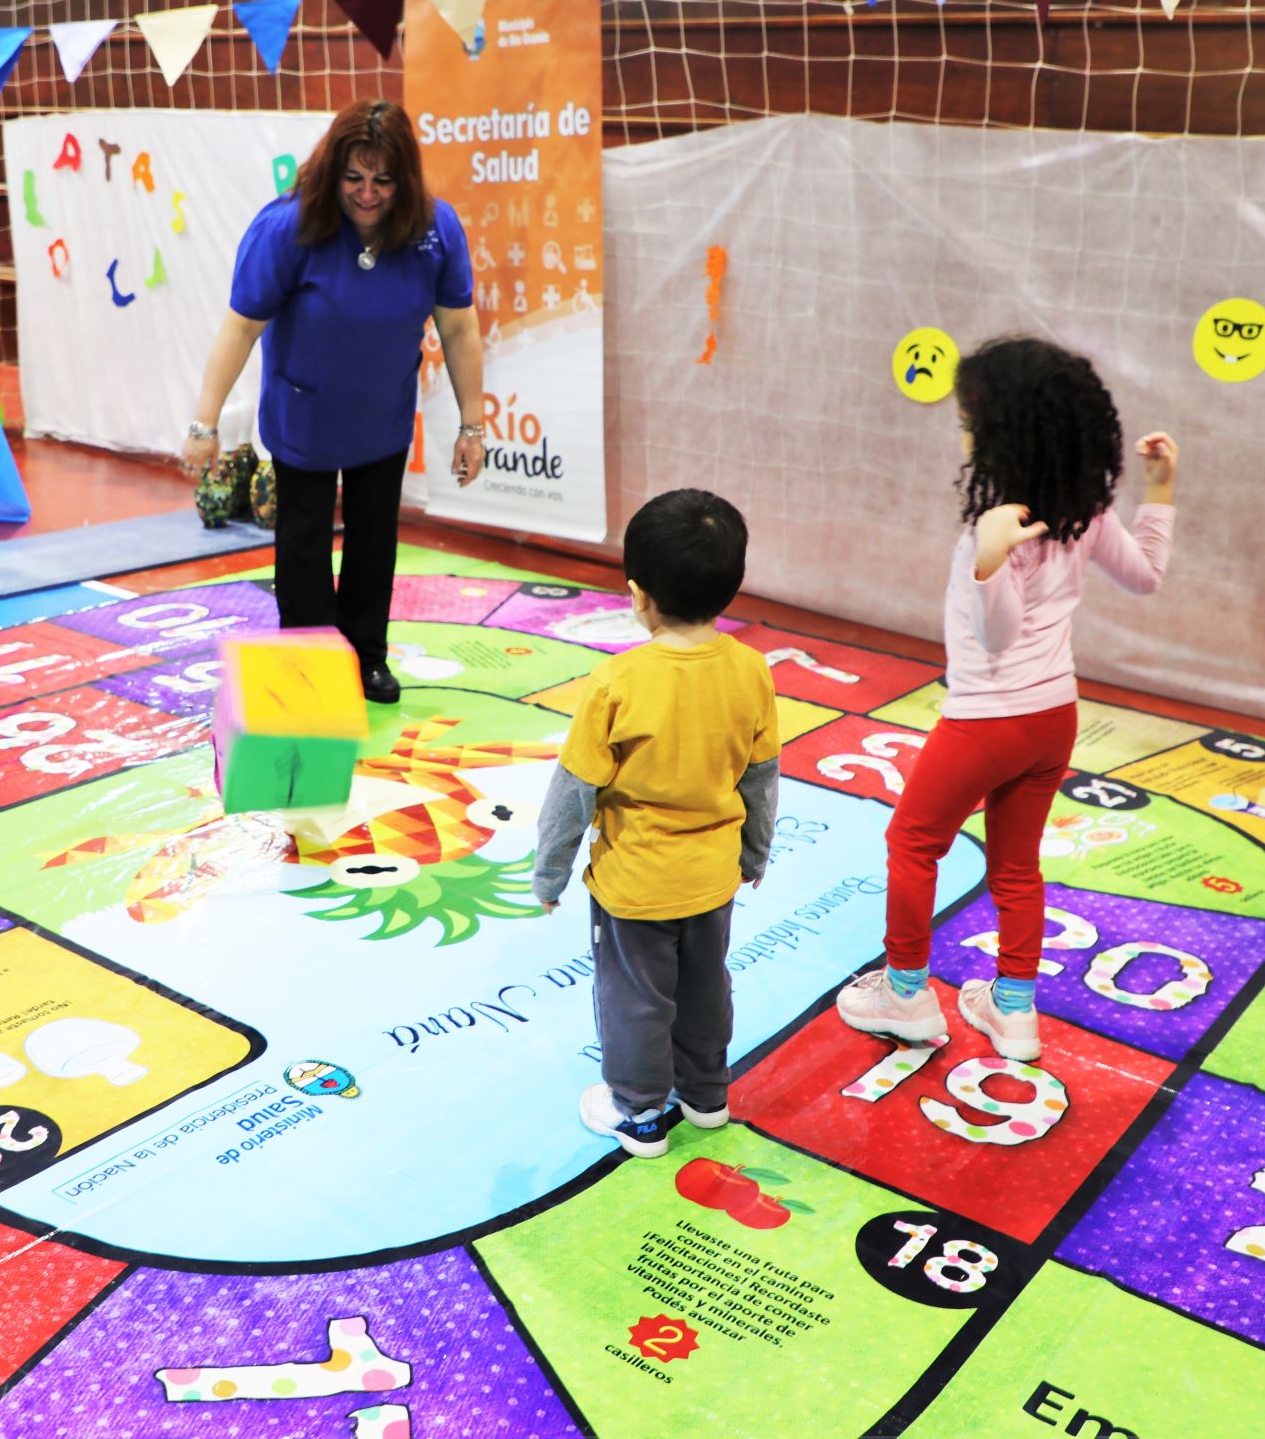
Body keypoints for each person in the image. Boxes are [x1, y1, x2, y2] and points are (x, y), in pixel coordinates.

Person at [837, 337, 1179, 1061]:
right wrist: (1160, 492)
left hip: (988, 721)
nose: (963, 434)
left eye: (970, 422)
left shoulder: (994, 528)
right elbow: (1146, 574)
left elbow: (996, 635)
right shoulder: (1082, 508)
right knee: (1016, 865)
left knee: (910, 842)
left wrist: (991, 559)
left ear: (1003, 435)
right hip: (1053, 719)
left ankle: (904, 995)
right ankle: (1013, 1011)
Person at [178, 100, 487, 704]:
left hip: (382, 416)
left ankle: (368, 656)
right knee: (304, 547)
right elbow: (241, 328)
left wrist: (473, 427)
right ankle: (309, 664)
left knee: (375, 542)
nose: (367, 195)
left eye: (382, 180)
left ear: (405, 179)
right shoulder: (287, 228)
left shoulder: (434, 229)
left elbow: (460, 329)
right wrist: (204, 423)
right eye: (353, 178)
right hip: (305, 415)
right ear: (331, 171)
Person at [532, 490, 780, 1158]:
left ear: (637, 595)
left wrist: (549, 871)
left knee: (636, 999)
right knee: (705, 984)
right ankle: (706, 1094)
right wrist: (754, 854)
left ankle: (638, 1112)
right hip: (713, 878)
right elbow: (759, 779)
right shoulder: (752, 670)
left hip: (635, 886)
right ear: (732, 585)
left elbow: (573, 792)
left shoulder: (617, 682)